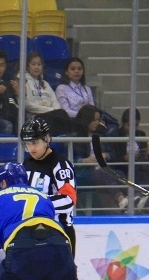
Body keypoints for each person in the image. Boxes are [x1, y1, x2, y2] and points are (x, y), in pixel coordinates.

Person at [20, 117, 78, 253]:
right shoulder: (26, 163)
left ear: (47, 139)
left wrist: (36, 203)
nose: (31, 148)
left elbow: (69, 199)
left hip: (58, 232)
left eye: (35, 142)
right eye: (27, 143)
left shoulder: (60, 165)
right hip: (31, 232)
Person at [71, 104, 130, 212]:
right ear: (86, 120)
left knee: (119, 173)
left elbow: (112, 153)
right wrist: (84, 161)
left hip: (100, 169)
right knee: (104, 173)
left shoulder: (100, 134)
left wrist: (105, 155)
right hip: (82, 173)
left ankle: (132, 197)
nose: (97, 123)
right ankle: (121, 199)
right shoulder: (73, 137)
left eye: (98, 120)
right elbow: (66, 160)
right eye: (94, 120)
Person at [20, 51, 72, 136]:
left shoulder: (46, 84)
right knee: (59, 117)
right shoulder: (24, 82)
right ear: (28, 66)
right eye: (33, 64)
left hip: (51, 115)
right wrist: (49, 110)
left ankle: (67, 140)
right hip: (34, 117)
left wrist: (53, 111)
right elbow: (27, 105)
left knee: (62, 115)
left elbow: (56, 103)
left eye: (39, 64)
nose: (37, 67)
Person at [110, 108, 149, 209]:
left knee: (146, 167)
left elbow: (144, 152)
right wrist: (125, 157)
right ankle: (140, 195)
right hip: (123, 165)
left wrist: (144, 153)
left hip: (138, 163)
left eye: (136, 125)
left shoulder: (141, 134)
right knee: (137, 168)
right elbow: (114, 156)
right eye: (129, 125)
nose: (133, 129)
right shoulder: (115, 135)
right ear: (124, 124)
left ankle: (145, 196)